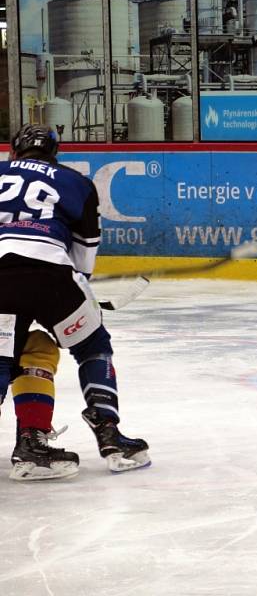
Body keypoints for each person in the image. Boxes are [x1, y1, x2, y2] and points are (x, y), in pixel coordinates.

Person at [0, 123, 150, 479]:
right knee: (92, 346)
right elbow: (83, 264)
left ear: (14, 152)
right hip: (53, 274)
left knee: (5, 353)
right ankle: (108, 432)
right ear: (55, 155)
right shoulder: (77, 182)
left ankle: (32, 441)